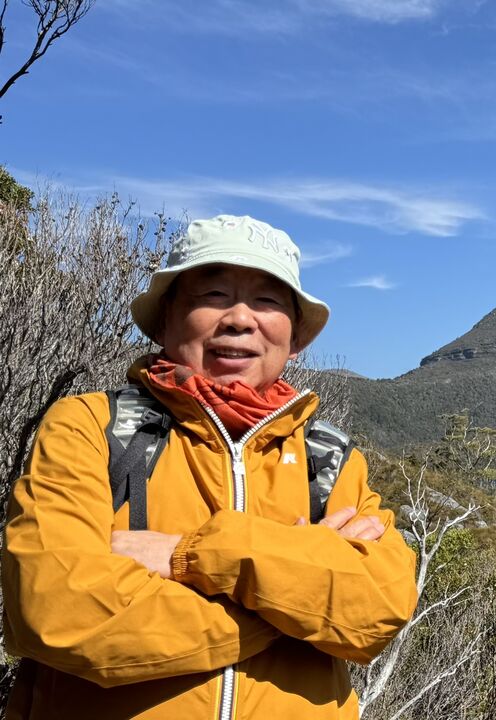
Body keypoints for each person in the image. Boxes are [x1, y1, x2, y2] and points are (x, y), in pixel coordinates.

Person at [2, 215, 417, 719]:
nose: (241, 319)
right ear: (165, 320)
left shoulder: (328, 458)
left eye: (267, 301)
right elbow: (57, 612)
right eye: (214, 295)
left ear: (294, 336)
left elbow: (379, 609)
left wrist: (191, 555)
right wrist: (288, 605)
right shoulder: (91, 428)